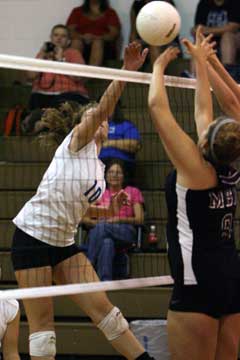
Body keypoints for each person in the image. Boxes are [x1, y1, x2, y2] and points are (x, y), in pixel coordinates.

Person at [11, 42, 154, 360]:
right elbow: (102, 107)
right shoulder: (76, 142)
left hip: (63, 243)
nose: (97, 119)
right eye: (91, 116)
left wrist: (107, 211)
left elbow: (80, 208)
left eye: (99, 118)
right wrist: (126, 72)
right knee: (43, 327)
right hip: (31, 237)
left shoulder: (101, 170)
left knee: (106, 311)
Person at [148, 27, 240, 359]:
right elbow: (204, 112)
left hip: (197, 282)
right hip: (231, 276)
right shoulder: (228, 166)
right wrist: (200, 61)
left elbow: (158, 109)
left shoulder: (195, 171)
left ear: (204, 142)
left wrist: (158, 67)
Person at [82, 159, 144, 281]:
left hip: (125, 231)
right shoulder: (99, 193)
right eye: (111, 172)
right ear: (105, 175)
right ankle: (105, 283)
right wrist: (98, 224)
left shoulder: (132, 191)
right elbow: (84, 219)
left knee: (103, 227)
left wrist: (117, 219)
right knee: (107, 243)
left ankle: (88, 266)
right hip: (101, 231)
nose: (114, 175)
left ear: (124, 176)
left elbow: (140, 219)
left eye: (118, 172)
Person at [26, 24, 89, 110]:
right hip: (42, 94)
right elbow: (30, 76)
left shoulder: (74, 53)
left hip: (69, 93)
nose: (59, 38)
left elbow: (78, 77)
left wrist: (61, 60)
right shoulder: (43, 54)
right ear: (51, 38)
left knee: (60, 103)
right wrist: (42, 56)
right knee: (35, 102)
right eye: (56, 35)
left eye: (63, 36)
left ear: (68, 41)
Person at [186, 0, 240, 78]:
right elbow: (198, 28)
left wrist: (206, 30)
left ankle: (228, 74)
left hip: (232, 40)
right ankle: (194, 76)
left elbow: (233, 27)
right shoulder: (204, 3)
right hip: (210, 40)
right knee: (199, 41)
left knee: (227, 37)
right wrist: (197, 31)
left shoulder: (235, 2)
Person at [66, 0, 121, 66]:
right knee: (76, 42)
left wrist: (97, 37)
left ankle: (91, 75)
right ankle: (73, 73)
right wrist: (82, 37)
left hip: (104, 46)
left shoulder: (110, 13)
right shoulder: (77, 11)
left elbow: (113, 34)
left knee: (97, 42)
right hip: (81, 41)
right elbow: (69, 31)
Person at [129, 0, 182, 68]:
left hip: (166, 39)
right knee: (134, 46)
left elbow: (171, 30)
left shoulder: (166, 3)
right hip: (144, 40)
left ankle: (156, 75)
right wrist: (133, 45)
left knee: (154, 44)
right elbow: (133, 31)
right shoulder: (137, 4)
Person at [99, 101, 141, 183]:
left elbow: (134, 145)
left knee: (114, 167)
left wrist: (110, 143)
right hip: (98, 163)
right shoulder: (95, 126)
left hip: (121, 163)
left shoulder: (126, 125)